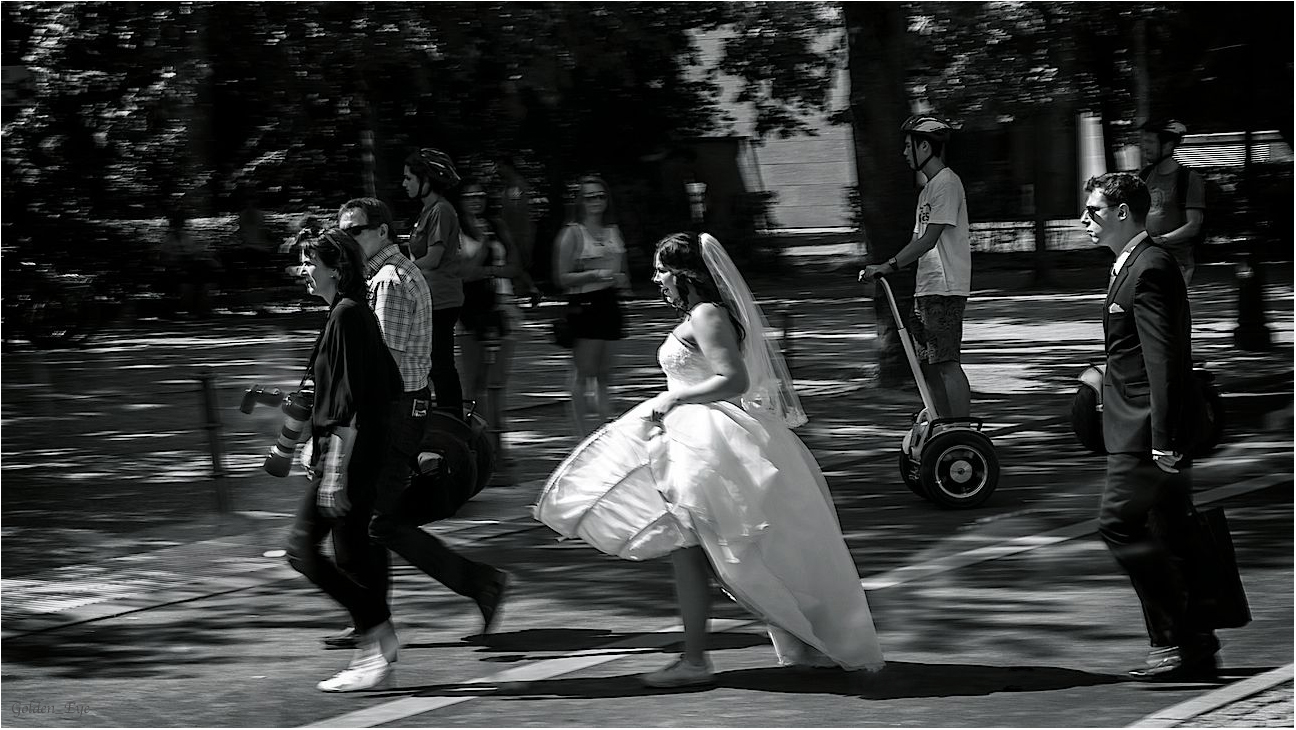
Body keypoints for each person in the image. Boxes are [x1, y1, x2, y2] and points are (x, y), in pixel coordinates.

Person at [535, 232, 885, 688]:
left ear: (685, 275)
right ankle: (729, 650)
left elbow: (733, 380)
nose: (656, 279)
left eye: (662, 271)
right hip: (694, 441)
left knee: (710, 550)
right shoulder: (701, 314)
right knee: (706, 551)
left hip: (709, 445)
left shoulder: (706, 314)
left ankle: (701, 658)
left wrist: (677, 396)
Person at [315, 198, 508, 655]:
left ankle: (478, 583)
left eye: (356, 230)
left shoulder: (387, 281)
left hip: (395, 410)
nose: (347, 240)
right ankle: (371, 617)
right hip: (399, 407)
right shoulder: (383, 277)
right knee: (368, 519)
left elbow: (385, 364)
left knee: (377, 520)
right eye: (342, 231)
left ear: (382, 231)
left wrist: (352, 417)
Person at [1081, 172, 1218, 681]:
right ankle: (1195, 642)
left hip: (1145, 431)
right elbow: (1136, 354)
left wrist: (1163, 438)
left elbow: (1164, 360)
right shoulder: (1132, 264)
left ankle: (1176, 639)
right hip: (1135, 422)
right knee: (1174, 528)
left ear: (1122, 212)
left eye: (1094, 210)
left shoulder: (1150, 267)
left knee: (1118, 525)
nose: (1084, 219)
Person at [285, 228, 402, 692]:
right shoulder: (345, 313)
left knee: (302, 548)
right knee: (351, 554)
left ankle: (379, 637)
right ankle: (374, 649)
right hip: (352, 451)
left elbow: (351, 404)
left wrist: (334, 471)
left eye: (310, 261)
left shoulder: (349, 316)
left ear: (337, 268)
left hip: (351, 455)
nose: (304, 270)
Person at [859, 115, 972, 419]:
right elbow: (916, 240)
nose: (904, 153)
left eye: (909, 146)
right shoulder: (927, 190)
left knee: (945, 362)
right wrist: (887, 267)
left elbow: (931, 238)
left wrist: (889, 265)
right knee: (928, 364)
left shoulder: (947, 183)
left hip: (946, 286)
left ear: (925, 146)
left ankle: (959, 429)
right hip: (928, 286)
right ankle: (943, 425)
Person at [456, 178, 532, 468]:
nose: (476, 201)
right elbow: (463, 273)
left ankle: (500, 445)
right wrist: (486, 252)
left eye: (481, 195)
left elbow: (514, 266)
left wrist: (486, 269)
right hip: (470, 311)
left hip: (502, 307)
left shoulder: (497, 224)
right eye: (470, 196)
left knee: (497, 382)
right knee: (474, 384)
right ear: (461, 201)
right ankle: (479, 447)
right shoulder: (458, 231)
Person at [552, 175, 632, 436]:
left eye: (600, 196)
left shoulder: (612, 230)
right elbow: (561, 278)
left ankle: (604, 430)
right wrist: (594, 274)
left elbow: (621, 267)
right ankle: (581, 435)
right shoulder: (572, 232)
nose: (596, 201)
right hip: (585, 304)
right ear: (580, 201)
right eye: (589, 197)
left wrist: (621, 282)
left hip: (609, 302)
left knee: (605, 374)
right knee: (583, 372)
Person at [404, 147, 466, 420]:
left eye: (409, 178)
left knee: (440, 365)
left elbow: (434, 256)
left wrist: (400, 269)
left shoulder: (441, 210)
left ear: (427, 180)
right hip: (428, 297)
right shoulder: (428, 211)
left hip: (440, 299)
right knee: (428, 364)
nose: (404, 183)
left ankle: (452, 421)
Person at [1138, 119, 1206, 285]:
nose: (1144, 147)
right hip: (1146, 258)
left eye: (1150, 142)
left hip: (1175, 262)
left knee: (1166, 308)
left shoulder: (1188, 179)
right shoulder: (1144, 177)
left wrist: (1161, 240)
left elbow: (1193, 225)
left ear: (1167, 146)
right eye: (1144, 141)